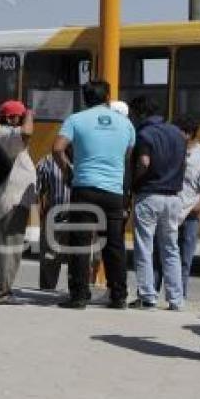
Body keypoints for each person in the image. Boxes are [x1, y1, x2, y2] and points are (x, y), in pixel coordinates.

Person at [53, 80, 136, 309]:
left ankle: (79, 296)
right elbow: (128, 154)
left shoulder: (75, 120)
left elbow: (58, 148)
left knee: (80, 241)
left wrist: (68, 170)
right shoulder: (126, 124)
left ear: (85, 98)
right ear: (108, 97)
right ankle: (119, 296)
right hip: (113, 192)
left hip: (85, 187)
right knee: (114, 244)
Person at [128, 96, 186, 310]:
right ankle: (176, 299)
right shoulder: (177, 134)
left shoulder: (145, 134)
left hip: (150, 194)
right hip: (173, 197)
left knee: (145, 247)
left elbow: (144, 162)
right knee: (171, 248)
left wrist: (134, 183)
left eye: (134, 113)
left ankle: (147, 296)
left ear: (141, 113)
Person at [0, 100, 34, 304]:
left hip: (9, 200)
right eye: (21, 118)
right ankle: (1, 293)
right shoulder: (4, 134)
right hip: (10, 201)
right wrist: (30, 113)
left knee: (1, 248)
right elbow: (27, 133)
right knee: (9, 249)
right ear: (12, 118)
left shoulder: (2, 134)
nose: (25, 121)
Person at [167, 115, 200, 298]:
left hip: (191, 214)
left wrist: (198, 207)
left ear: (189, 133)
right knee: (164, 256)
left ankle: (179, 296)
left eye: (178, 132)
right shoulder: (173, 150)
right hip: (170, 211)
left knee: (185, 259)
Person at [35, 148, 72, 290]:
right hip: (54, 219)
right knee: (49, 261)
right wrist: (41, 219)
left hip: (80, 220)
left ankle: (77, 293)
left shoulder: (88, 159)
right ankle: (46, 292)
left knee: (80, 261)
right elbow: (36, 191)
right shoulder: (48, 161)